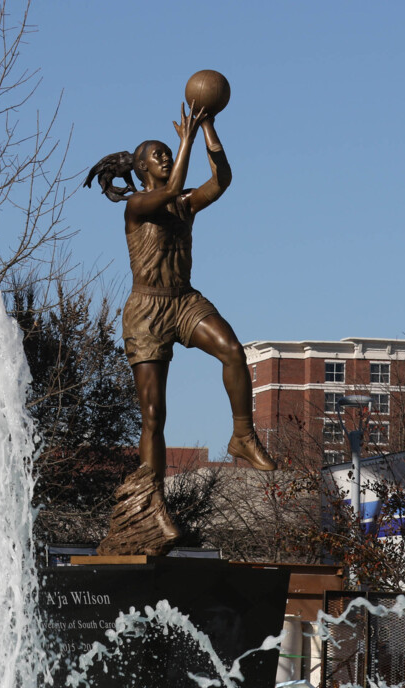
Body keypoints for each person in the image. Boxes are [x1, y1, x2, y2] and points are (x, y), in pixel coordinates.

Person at [91, 104, 276, 553]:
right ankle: (151, 504)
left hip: (184, 300)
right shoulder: (138, 206)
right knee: (155, 417)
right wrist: (187, 137)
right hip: (147, 310)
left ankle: (241, 435)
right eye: (158, 154)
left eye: (167, 152)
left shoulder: (184, 203)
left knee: (233, 350)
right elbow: (172, 185)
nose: (167, 158)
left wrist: (209, 129)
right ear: (141, 168)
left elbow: (222, 180)